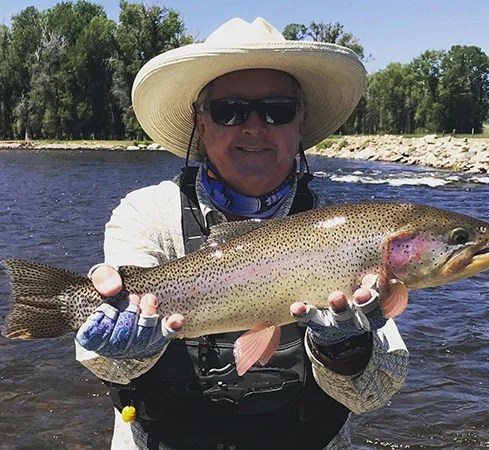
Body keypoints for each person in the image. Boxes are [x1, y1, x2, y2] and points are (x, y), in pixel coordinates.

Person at [75, 17, 409, 450]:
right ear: (200, 120)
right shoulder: (147, 214)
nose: (254, 126)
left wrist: (346, 353)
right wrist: (122, 350)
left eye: (277, 110)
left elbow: (373, 393)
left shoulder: (346, 227)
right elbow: (104, 363)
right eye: (229, 110)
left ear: (300, 120)